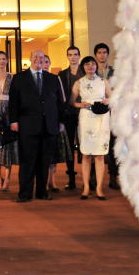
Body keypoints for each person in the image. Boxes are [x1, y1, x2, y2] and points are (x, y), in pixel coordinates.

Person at [9, 49, 63, 202]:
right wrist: (13, 121)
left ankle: (42, 192)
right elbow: (13, 102)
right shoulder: (19, 78)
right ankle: (24, 194)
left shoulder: (53, 79)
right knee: (27, 161)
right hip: (27, 126)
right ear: (30, 59)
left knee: (44, 161)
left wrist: (60, 122)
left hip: (49, 126)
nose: (39, 60)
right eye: (35, 57)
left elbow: (59, 103)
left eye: (42, 57)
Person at [72, 56, 112, 200]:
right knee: (86, 154)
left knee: (100, 155)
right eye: (87, 64)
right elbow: (72, 102)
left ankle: (99, 188)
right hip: (86, 118)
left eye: (93, 64)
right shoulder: (79, 83)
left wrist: (108, 100)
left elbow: (113, 99)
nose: (90, 66)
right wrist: (80, 104)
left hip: (101, 118)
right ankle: (87, 187)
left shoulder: (103, 82)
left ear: (96, 66)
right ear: (83, 67)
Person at [0, 51, 18, 191]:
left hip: (9, 112)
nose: (1, 61)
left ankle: (7, 179)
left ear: (7, 60)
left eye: (3, 59)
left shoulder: (12, 77)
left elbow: (16, 96)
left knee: (9, 145)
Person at [57, 46, 83, 191]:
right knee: (69, 146)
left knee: (86, 146)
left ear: (79, 56)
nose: (73, 57)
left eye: (75, 54)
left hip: (86, 113)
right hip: (69, 114)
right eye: (70, 55)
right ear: (67, 57)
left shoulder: (85, 72)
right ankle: (71, 178)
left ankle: (90, 178)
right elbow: (61, 97)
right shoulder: (62, 74)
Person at [94, 43, 119, 190]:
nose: (102, 55)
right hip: (95, 114)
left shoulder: (115, 72)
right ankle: (93, 178)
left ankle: (113, 177)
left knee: (113, 146)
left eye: (104, 52)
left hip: (112, 113)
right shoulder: (91, 71)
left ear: (108, 54)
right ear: (95, 55)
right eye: (99, 52)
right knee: (95, 144)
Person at [45, 54, 71, 192]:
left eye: (46, 62)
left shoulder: (56, 79)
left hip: (53, 121)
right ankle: (43, 181)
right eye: (42, 61)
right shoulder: (35, 80)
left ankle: (52, 181)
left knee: (53, 154)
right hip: (39, 122)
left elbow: (62, 101)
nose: (44, 64)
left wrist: (61, 121)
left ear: (49, 64)